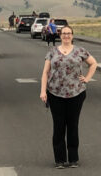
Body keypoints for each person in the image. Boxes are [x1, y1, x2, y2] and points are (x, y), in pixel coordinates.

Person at [39, 25, 97, 168]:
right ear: (60, 35)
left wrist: (87, 78)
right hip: (55, 93)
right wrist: (43, 91)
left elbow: (93, 63)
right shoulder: (52, 52)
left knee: (73, 125)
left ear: (72, 35)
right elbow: (45, 73)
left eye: (68, 33)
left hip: (76, 93)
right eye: (64, 33)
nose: (66, 36)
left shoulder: (80, 51)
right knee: (58, 126)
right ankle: (59, 159)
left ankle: (73, 159)